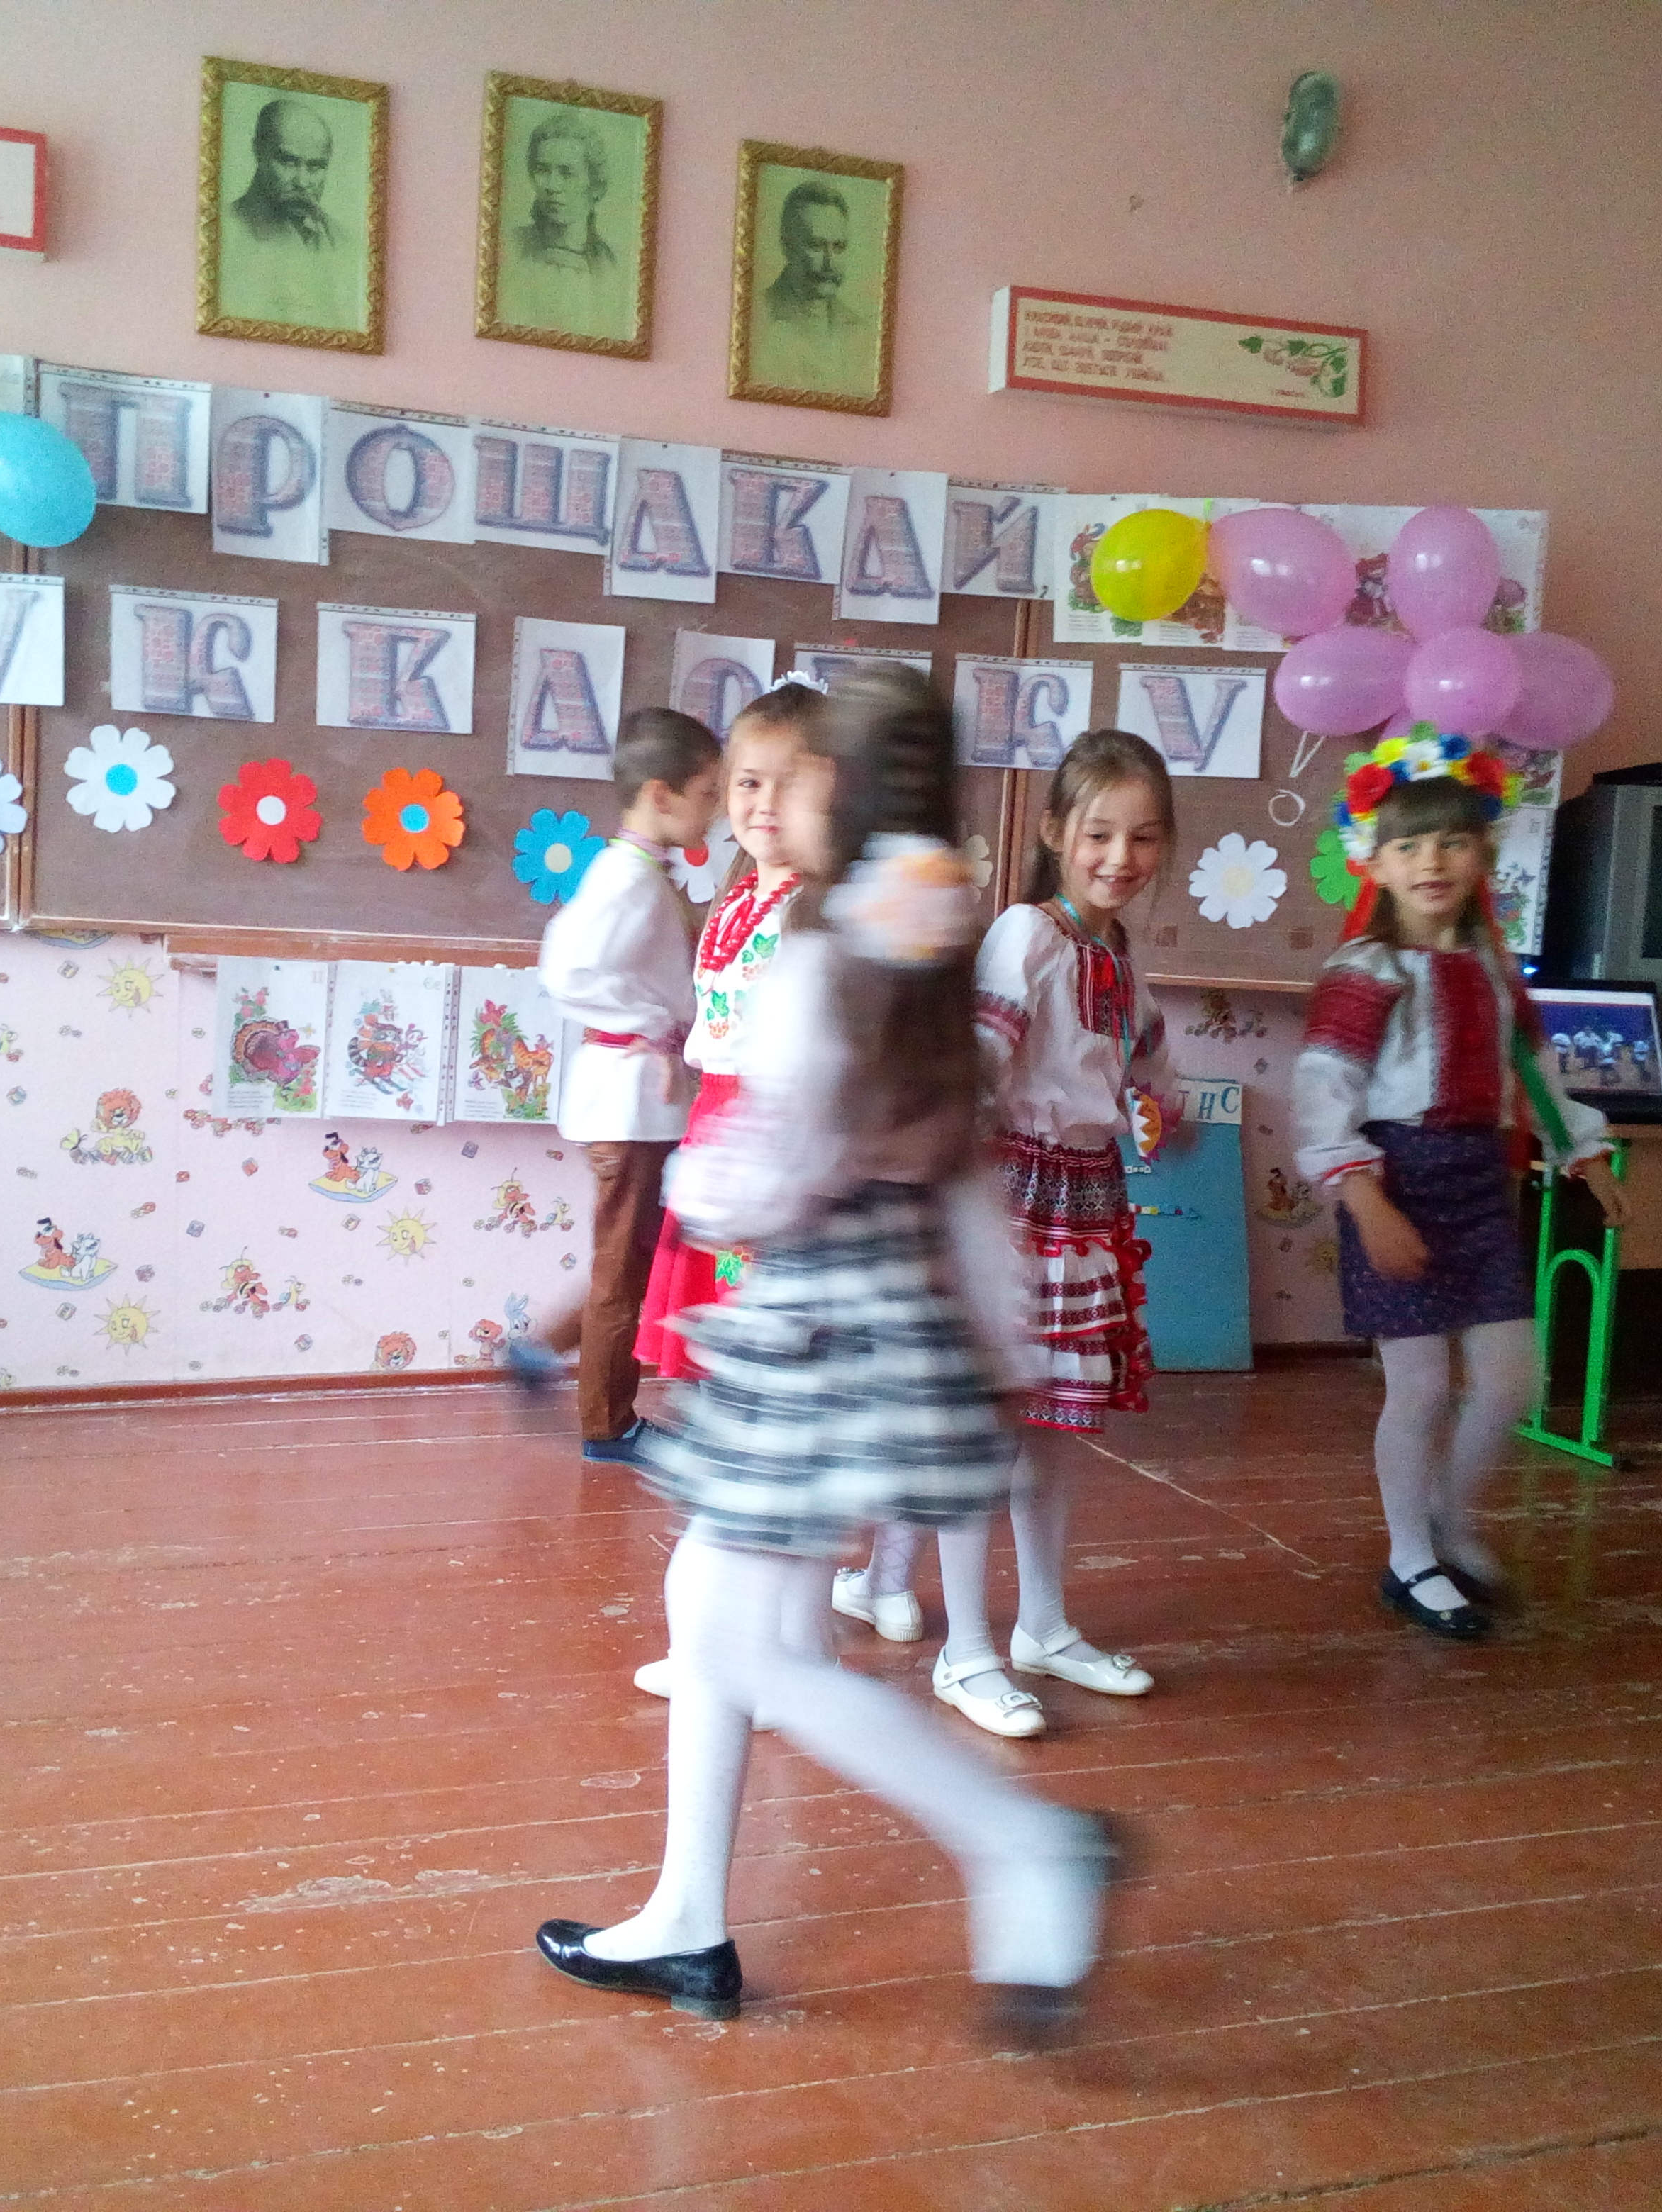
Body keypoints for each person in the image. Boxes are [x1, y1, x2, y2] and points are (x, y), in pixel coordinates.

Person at [532, 667, 1122, 2048]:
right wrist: (997, 1346)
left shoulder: (830, 955)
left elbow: (766, 1174)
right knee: (717, 1609)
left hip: (815, 1330)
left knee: (755, 1645)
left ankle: (1024, 1844)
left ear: (837, 794)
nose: (762, 802)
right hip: (878, 1329)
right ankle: (688, 1913)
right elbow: (963, 1178)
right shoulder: (917, 935)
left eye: (786, 777)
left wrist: (695, 1188)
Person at [849, 731, 1190, 1738]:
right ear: (1052, 832)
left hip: (1083, 1199)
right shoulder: (1026, 936)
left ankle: (1043, 1625)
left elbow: (1147, 1055)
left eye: (1144, 837)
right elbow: (978, 1064)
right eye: (1099, 833)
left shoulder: (1115, 954)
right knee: (982, 1435)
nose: (1120, 856)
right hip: (1012, 1197)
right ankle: (965, 1651)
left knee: (1048, 1435)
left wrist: (1168, 1107)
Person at [1295, 729, 1627, 1639]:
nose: (1430, 861)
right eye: (1407, 845)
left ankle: (1445, 1516)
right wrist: (1364, 1201)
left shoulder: (1493, 969)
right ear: (1375, 862)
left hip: (1477, 1187)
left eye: (1450, 841)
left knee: (1512, 1380)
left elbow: (1534, 1071)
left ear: (1482, 852)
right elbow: (1324, 1092)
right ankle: (1408, 1558)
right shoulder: (1362, 973)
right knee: (1418, 1388)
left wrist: (1584, 1155)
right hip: (1394, 1184)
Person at [627, 678, 829, 1704]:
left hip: (775, 1160)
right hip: (717, 1149)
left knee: (775, 1408)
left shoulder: (817, 913)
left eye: (788, 784)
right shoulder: (732, 903)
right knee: (723, 1397)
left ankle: (782, 1645)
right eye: (746, 783)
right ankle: (756, 1643)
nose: (760, 804)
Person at [518, 709, 725, 1461]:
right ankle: (607, 1425)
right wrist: (649, 1026)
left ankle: (544, 1350)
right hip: (627, 1104)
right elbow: (566, 969)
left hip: (639, 1101)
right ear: (662, 795)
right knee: (623, 1272)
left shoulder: (638, 872)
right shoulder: (628, 878)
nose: (717, 810)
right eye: (708, 793)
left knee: (635, 1255)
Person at [223, 96, 356, 331]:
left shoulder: (345, 243)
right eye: (288, 162)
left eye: (316, 166)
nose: (303, 182)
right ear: (258, 152)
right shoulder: (225, 232)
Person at [500, 110, 630, 341]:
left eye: (566, 173)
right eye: (542, 170)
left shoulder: (611, 265)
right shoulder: (511, 248)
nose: (552, 185)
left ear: (594, 184)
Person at [751, 177, 875, 395]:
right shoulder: (756, 321)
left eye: (839, 247)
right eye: (816, 245)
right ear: (787, 246)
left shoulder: (862, 334)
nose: (829, 263)